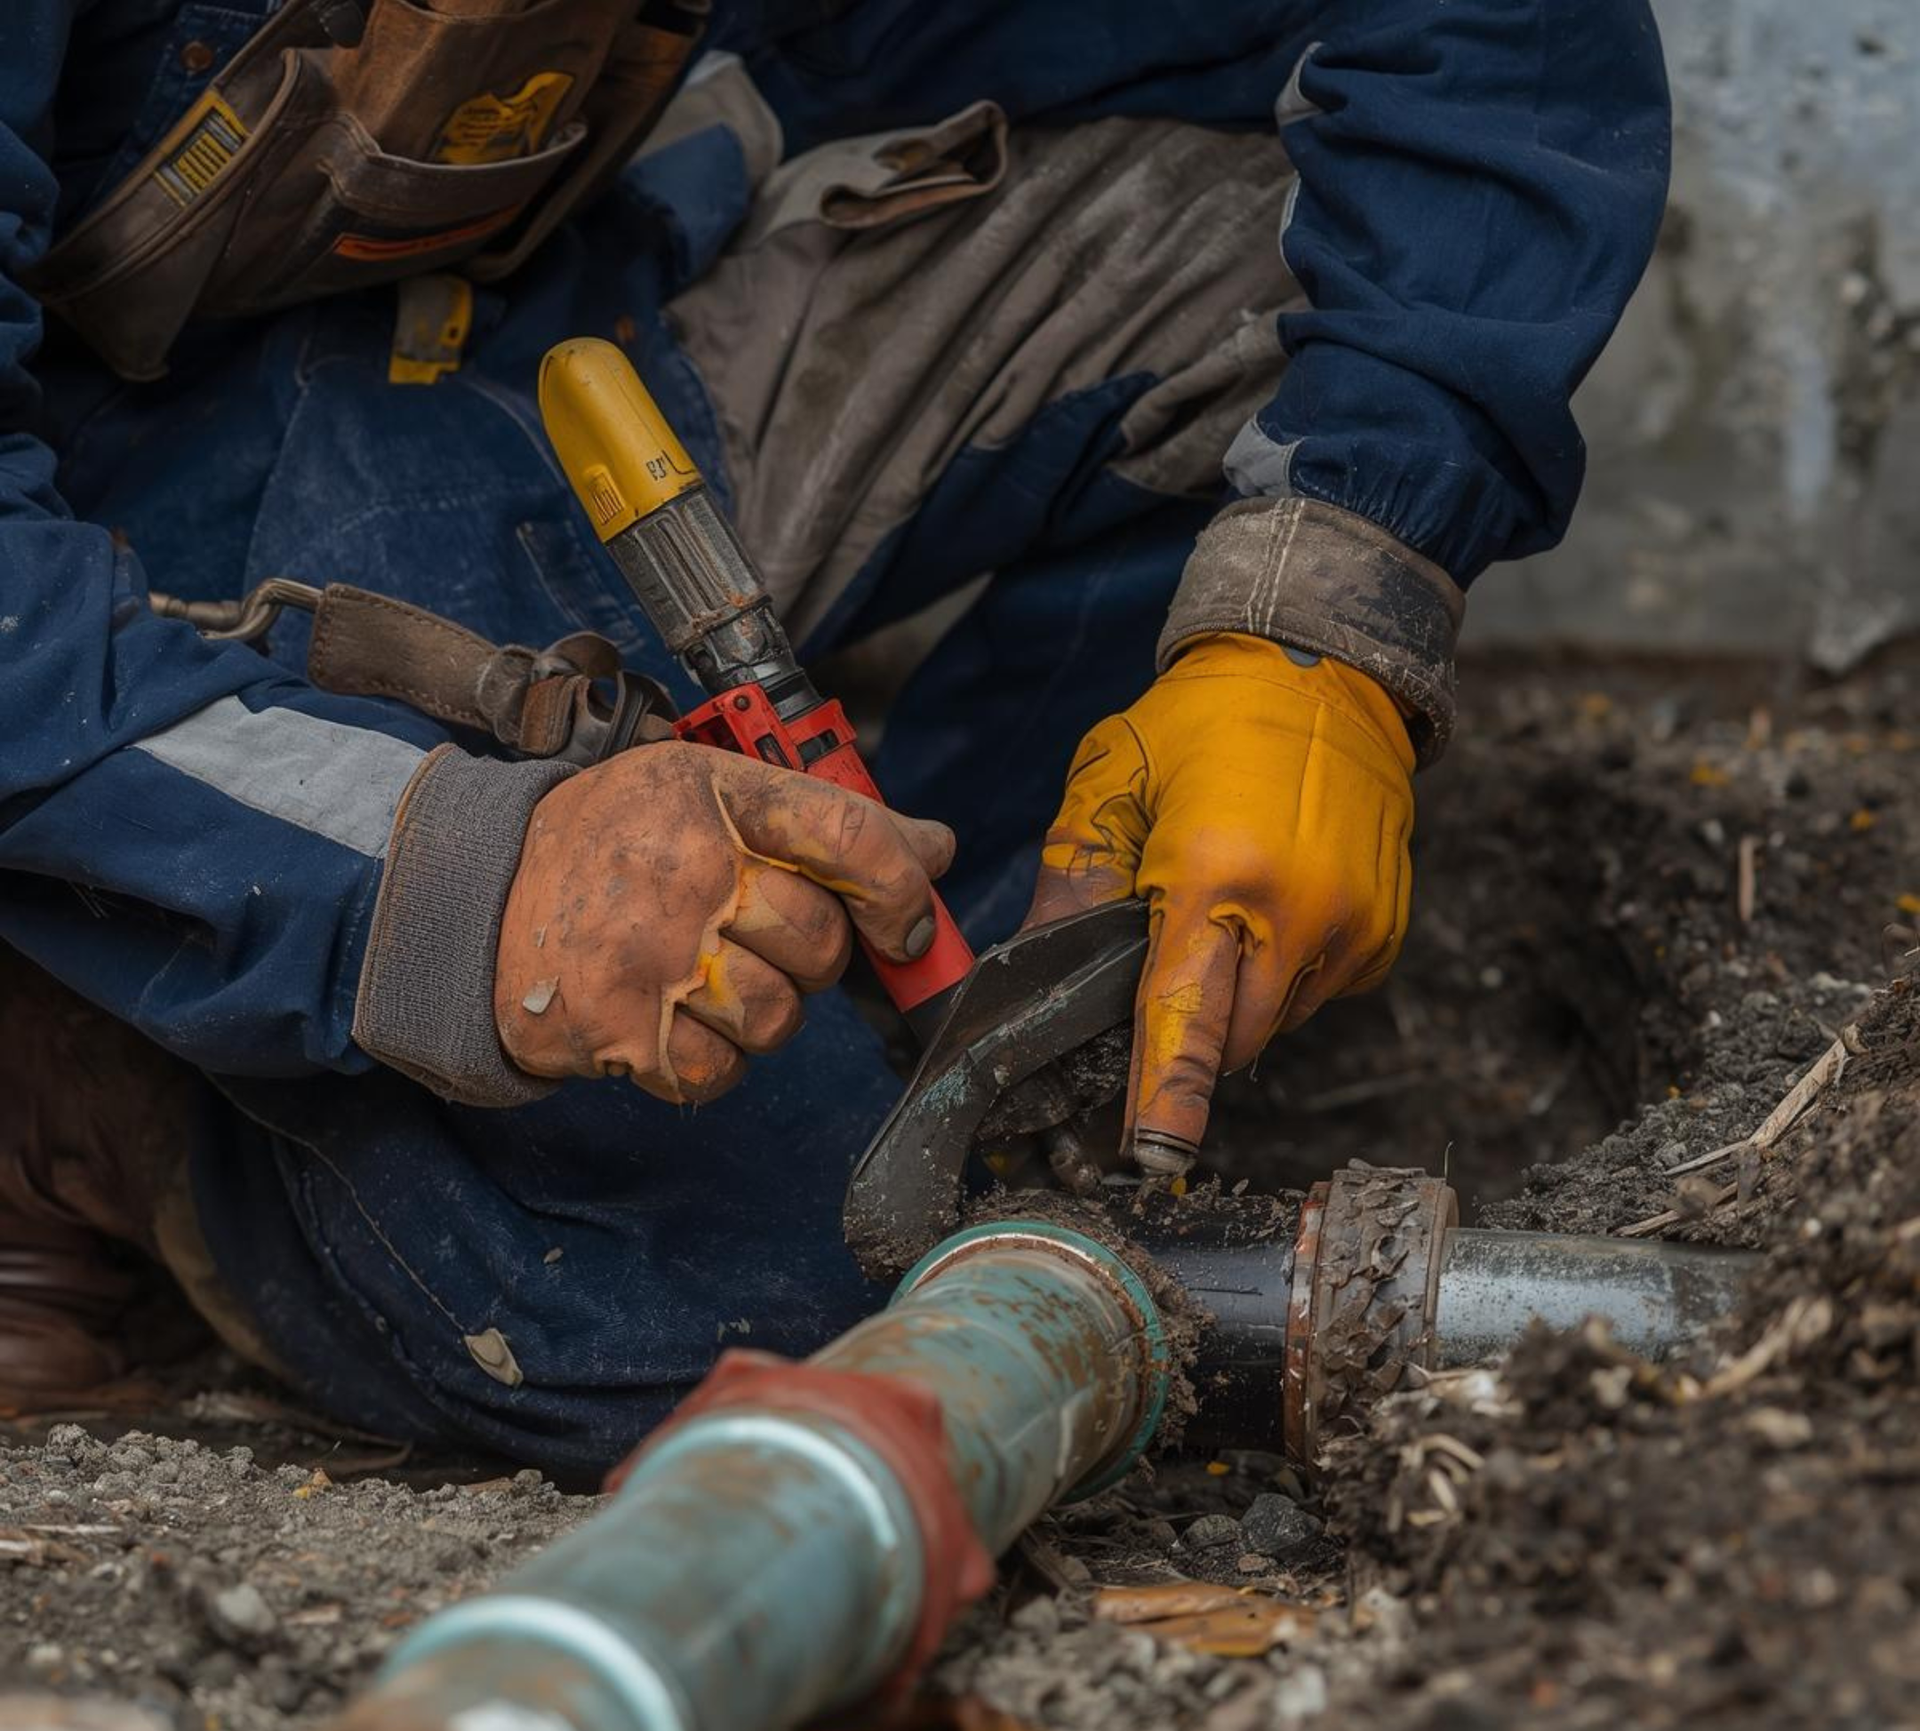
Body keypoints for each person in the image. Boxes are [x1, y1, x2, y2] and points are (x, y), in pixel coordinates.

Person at [0, 0, 1670, 1473]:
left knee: (1298, 281)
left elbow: (1488, 38)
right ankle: (83, 1060)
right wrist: (454, 882)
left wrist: (1324, 616)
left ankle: (959, 1055)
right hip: (111, 531)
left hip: (575, 322)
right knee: (756, 1324)